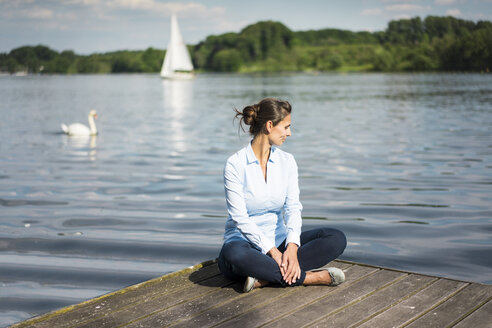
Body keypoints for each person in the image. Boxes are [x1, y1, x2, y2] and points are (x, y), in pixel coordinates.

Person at [217, 97, 347, 292]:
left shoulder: (287, 161)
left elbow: (293, 207)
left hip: (280, 241)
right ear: (270, 125)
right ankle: (309, 278)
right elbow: (239, 218)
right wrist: (274, 253)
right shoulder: (235, 164)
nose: (289, 133)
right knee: (234, 255)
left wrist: (292, 248)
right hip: (244, 245)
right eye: (286, 127)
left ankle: (265, 277)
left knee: (336, 238)